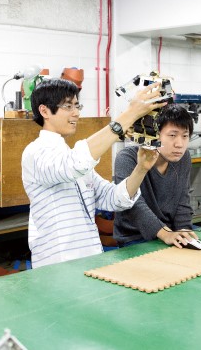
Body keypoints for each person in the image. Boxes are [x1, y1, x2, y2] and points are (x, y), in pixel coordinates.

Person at [22, 78, 165, 268]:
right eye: (68, 106)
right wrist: (130, 114)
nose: (76, 113)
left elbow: (113, 198)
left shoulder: (71, 157)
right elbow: (74, 164)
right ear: (44, 111)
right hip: (57, 264)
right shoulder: (35, 153)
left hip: (90, 258)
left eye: (77, 105)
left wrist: (141, 169)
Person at [113, 104, 198, 247]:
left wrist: (184, 230)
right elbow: (134, 207)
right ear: (154, 135)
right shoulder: (127, 158)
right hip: (135, 237)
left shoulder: (183, 157)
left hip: (170, 232)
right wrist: (165, 234)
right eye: (172, 135)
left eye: (185, 136)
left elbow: (182, 200)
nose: (179, 144)